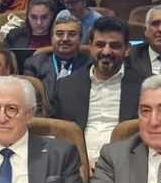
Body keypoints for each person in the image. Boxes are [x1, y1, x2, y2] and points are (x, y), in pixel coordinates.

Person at [50, 17, 144, 169]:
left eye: (114, 45)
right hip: (75, 167)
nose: (106, 51)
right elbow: (54, 134)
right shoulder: (65, 86)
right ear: (90, 47)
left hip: (128, 166)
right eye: (100, 45)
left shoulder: (145, 86)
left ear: (127, 49)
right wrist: (79, 163)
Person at [23, 12, 90, 101]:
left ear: (80, 39)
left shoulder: (90, 65)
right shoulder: (34, 64)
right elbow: (29, 98)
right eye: (59, 34)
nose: (65, 39)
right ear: (51, 38)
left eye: (72, 34)